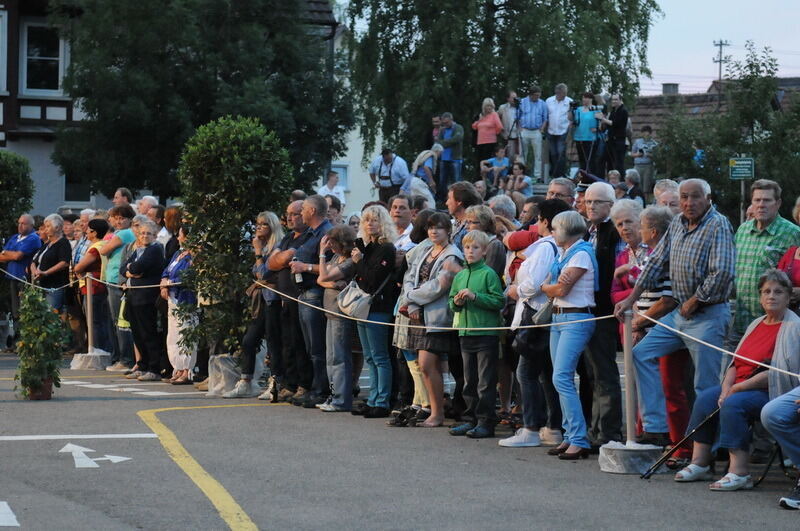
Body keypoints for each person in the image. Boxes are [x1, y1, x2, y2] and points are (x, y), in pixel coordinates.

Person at [615, 179, 735, 445]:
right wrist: (631, 298)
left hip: (708, 313)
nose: (689, 203)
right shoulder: (678, 223)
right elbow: (656, 262)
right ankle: (656, 426)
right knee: (640, 354)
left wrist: (697, 299)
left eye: (695, 197)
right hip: (680, 313)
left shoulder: (718, 224)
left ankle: (709, 447)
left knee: (705, 385)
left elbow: (723, 272)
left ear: (708, 198)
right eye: (684, 197)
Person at [674, 270, 795, 491]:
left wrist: (737, 389)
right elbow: (734, 363)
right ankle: (701, 462)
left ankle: (739, 472)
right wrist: (726, 387)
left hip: (772, 391)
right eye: (766, 291)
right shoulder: (756, 323)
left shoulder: (794, 328)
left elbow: (779, 373)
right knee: (706, 398)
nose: (771, 296)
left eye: (778, 292)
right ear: (760, 297)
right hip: (740, 386)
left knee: (733, 404)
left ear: (788, 297)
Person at [500, 199, 571, 448]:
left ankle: (531, 427)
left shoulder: (546, 247)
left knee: (526, 373)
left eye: (538, 219)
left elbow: (534, 283)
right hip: (543, 314)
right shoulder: (555, 246)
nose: (535, 224)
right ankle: (552, 426)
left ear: (545, 221)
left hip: (535, 314)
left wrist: (516, 290)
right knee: (545, 374)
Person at [542, 210, 598, 460]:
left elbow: (560, 289)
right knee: (560, 378)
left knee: (562, 377)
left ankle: (578, 437)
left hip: (576, 317)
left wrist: (547, 287)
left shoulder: (581, 253)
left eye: (555, 228)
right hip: (559, 317)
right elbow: (551, 286)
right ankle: (570, 434)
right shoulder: (565, 253)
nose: (552, 232)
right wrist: (550, 287)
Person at [403, 212, 463, 427]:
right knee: (426, 366)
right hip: (419, 313)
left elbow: (439, 285)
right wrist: (412, 303)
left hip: (437, 317)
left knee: (427, 364)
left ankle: (437, 413)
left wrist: (411, 298)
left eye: (439, 227)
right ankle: (435, 411)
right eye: (430, 227)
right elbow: (410, 277)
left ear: (448, 230)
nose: (434, 231)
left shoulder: (453, 254)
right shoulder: (426, 250)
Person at [447, 230, 505, 438]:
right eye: (467, 247)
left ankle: (485, 422)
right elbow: (452, 302)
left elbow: (499, 301)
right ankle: (470, 419)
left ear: (485, 251)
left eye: (475, 247)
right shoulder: (460, 275)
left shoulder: (489, 274)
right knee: (469, 380)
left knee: (485, 381)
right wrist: (457, 302)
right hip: (465, 333)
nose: (470, 251)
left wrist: (475, 297)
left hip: (485, 333)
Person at [732, 180, 800, 349]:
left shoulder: (792, 233)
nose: (761, 204)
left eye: (767, 200)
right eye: (757, 200)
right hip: (740, 323)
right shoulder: (743, 231)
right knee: (734, 365)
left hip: (773, 325)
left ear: (778, 203)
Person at [225, 211, 285, 398]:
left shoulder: (277, 246)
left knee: (274, 342)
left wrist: (258, 252)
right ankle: (246, 382)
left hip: (274, 299)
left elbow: (262, 273)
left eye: (264, 224)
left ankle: (275, 383)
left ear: (273, 226)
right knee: (249, 340)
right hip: (261, 299)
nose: (259, 227)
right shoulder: (264, 246)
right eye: (257, 224)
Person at [583, 182, 624, 447]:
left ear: (611, 204)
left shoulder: (614, 232)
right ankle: (595, 429)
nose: (591, 206)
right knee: (592, 373)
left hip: (606, 311)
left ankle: (608, 432)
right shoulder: (589, 231)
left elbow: (617, 273)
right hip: (588, 309)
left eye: (597, 202)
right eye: (588, 201)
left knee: (605, 373)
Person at [351, 205, 399, 418]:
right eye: (367, 220)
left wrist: (359, 262)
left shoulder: (386, 248)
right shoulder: (368, 247)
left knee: (380, 356)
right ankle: (373, 398)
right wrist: (361, 261)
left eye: (375, 220)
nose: (370, 224)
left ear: (383, 223)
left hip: (378, 307)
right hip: (364, 306)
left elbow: (372, 279)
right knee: (369, 356)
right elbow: (362, 278)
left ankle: (382, 400)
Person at [392, 209, 436, 426]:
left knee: (414, 358)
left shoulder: (420, 250)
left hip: (410, 305)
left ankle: (424, 403)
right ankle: (418, 401)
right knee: (413, 358)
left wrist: (410, 300)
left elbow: (405, 279)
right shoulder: (423, 249)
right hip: (410, 304)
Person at [289, 195, 334, 407]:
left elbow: (332, 267)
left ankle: (321, 390)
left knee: (318, 348)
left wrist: (305, 267)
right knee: (310, 347)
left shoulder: (327, 234)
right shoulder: (310, 233)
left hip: (315, 293)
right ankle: (315, 388)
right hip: (304, 294)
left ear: (312, 211)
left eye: (303, 209)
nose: (301, 213)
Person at [268, 201, 312, 403]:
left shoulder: (308, 236)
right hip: (283, 297)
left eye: (295, 214)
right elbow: (271, 263)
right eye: (288, 214)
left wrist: (281, 259)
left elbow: (288, 258)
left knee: (300, 342)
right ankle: (290, 383)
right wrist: (280, 259)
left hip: (299, 297)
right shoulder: (287, 237)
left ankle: (304, 384)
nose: (290, 218)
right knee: (287, 342)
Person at [316, 225, 358, 412]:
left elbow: (323, 275)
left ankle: (341, 399)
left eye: (333, 243)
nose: (330, 246)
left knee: (340, 357)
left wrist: (321, 253)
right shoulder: (336, 258)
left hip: (341, 314)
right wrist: (333, 284)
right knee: (331, 357)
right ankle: (333, 395)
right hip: (330, 312)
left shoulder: (349, 262)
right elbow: (320, 279)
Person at [121, 220, 165, 381]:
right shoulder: (138, 250)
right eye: (142, 233)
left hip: (146, 297)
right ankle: (142, 365)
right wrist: (131, 271)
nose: (145, 236)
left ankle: (154, 369)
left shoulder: (155, 249)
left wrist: (131, 269)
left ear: (155, 236)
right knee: (137, 334)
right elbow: (123, 268)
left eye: (148, 233)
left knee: (148, 333)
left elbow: (136, 267)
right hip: (133, 296)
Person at [99, 205, 137, 371]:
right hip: (113, 278)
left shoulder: (124, 233)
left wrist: (107, 243)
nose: (118, 221)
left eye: (122, 218)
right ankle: (119, 357)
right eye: (116, 218)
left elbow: (104, 250)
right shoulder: (118, 233)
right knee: (115, 321)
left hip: (117, 279)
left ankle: (125, 359)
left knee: (120, 322)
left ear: (129, 219)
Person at [160, 225, 197, 385]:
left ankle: (187, 369)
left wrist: (170, 282)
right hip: (173, 299)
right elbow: (167, 271)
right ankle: (178, 367)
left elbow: (188, 275)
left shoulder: (194, 256)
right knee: (173, 334)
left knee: (186, 333)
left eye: (180, 235)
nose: (178, 238)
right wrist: (164, 282)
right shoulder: (177, 253)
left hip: (186, 299)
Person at [72, 218, 113, 354]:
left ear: (94, 233)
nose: (86, 232)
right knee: (101, 320)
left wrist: (78, 270)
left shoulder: (95, 248)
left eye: (88, 230)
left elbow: (79, 267)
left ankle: (98, 349)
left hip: (93, 287)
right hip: (100, 285)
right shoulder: (105, 244)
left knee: (94, 321)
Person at [0, 214, 41, 334]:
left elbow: (18, 256)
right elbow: (1, 257)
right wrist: (9, 254)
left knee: (24, 308)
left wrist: (7, 253)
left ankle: (24, 335)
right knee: (15, 309)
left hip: (24, 278)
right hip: (12, 276)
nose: (20, 226)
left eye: (23, 223)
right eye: (19, 223)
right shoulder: (14, 237)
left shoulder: (33, 238)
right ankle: (16, 336)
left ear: (31, 225)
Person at [30, 214, 72, 312]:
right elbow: (34, 261)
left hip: (55, 286)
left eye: (48, 226)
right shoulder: (47, 244)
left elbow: (64, 262)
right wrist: (35, 272)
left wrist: (46, 272)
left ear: (57, 228)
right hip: (41, 284)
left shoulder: (63, 243)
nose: (45, 230)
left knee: (51, 315)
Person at [464, 205, 506, 279]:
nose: (466, 227)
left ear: (484, 223)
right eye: (466, 222)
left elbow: (487, 277)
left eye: (470, 222)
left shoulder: (494, 245)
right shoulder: (472, 243)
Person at [544, 83, 573, 179]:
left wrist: (569, 132)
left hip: (563, 131)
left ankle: (560, 174)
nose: (564, 95)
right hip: (551, 131)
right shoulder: (549, 101)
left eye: (565, 93)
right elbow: (546, 115)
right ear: (557, 92)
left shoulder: (569, 101)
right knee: (553, 153)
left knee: (561, 153)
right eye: (562, 93)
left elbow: (571, 119)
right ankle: (554, 174)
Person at [596, 94, 628, 176]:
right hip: (610, 140)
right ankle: (607, 180)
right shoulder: (613, 111)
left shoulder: (623, 111)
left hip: (618, 140)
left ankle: (621, 181)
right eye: (613, 100)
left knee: (618, 164)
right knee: (605, 160)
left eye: (616, 99)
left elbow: (616, 123)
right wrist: (602, 122)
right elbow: (608, 125)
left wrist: (603, 119)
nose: (613, 101)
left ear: (620, 100)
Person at [436, 112, 465, 201]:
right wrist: (448, 142)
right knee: (443, 181)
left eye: (447, 122)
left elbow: (457, 139)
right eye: (444, 123)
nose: (445, 124)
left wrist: (444, 142)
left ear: (451, 120)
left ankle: (458, 199)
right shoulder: (442, 130)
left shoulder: (458, 128)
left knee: (456, 180)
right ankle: (444, 200)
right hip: (444, 158)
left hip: (455, 158)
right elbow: (438, 142)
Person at [446, 181, 482, 252]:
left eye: (449, 198)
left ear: (459, 201)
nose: (446, 203)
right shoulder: (454, 224)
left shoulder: (470, 229)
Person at [573, 92, 601, 176]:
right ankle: (583, 177)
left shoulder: (595, 109)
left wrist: (597, 128)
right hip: (579, 137)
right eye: (583, 97)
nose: (584, 99)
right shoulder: (578, 109)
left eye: (586, 98)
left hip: (591, 138)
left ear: (591, 99)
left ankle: (591, 177)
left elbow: (601, 123)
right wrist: (570, 109)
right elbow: (571, 119)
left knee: (591, 160)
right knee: (582, 160)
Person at [472, 97, 504, 168]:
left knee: (487, 160)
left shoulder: (494, 114)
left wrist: (494, 133)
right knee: (480, 160)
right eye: (487, 106)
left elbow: (500, 127)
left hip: (490, 141)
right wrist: (479, 120)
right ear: (484, 107)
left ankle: (488, 174)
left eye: (491, 106)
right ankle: (480, 173)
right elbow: (474, 127)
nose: (489, 107)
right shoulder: (481, 115)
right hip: (480, 142)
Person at [631, 126, 657, 193]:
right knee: (638, 184)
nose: (645, 135)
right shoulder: (637, 142)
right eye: (644, 133)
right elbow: (632, 154)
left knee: (646, 185)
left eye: (647, 133)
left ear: (650, 133)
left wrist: (649, 155)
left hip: (648, 165)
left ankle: (646, 198)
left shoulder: (654, 143)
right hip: (638, 165)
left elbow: (657, 156)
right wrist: (638, 154)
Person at [497, 90, 520, 160]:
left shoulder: (520, 107)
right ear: (508, 99)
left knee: (518, 156)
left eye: (516, 97)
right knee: (509, 156)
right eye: (513, 98)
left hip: (519, 135)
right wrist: (501, 131)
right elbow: (496, 119)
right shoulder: (502, 108)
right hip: (507, 135)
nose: (515, 99)